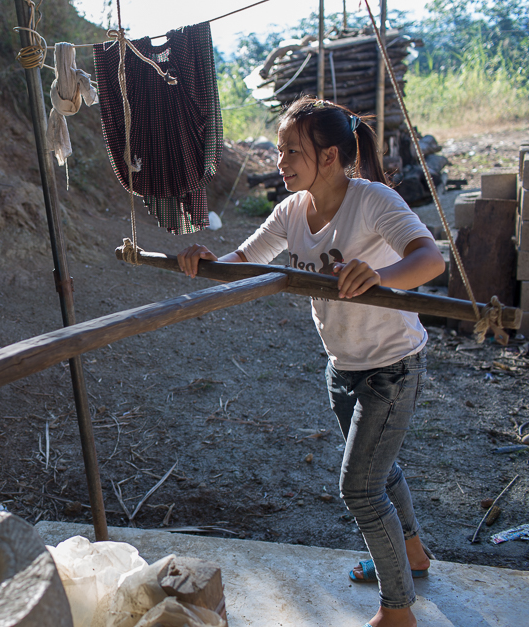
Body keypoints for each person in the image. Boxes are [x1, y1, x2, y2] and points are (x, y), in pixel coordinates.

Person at [178, 96, 445, 627]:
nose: (280, 162)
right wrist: (206, 262)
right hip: (341, 366)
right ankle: (411, 555)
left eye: (291, 151)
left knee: (360, 487)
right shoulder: (291, 211)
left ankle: (398, 612)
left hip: (392, 366)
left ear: (328, 156)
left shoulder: (373, 201)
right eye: (280, 150)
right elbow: (244, 261)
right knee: (379, 470)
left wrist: (378, 275)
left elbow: (429, 258)